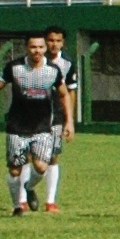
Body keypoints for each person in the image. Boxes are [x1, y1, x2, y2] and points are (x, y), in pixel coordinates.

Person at [0, 34, 65, 216]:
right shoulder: (15, 67)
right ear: (26, 47)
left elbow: (64, 93)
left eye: (41, 47)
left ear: (45, 48)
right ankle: (18, 206)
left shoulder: (53, 70)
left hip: (42, 126)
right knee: (14, 169)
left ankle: (29, 186)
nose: (37, 51)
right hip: (17, 126)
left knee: (42, 167)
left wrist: (69, 121)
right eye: (33, 47)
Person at [38, 24, 78, 211]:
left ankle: (50, 201)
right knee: (32, 157)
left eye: (58, 41)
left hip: (56, 115)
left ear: (63, 43)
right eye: (51, 40)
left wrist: (69, 121)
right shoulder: (34, 60)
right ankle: (23, 196)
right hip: (33, 114)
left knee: (52, 156)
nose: (54, 44)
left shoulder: (67, 63)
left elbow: (70, 91)